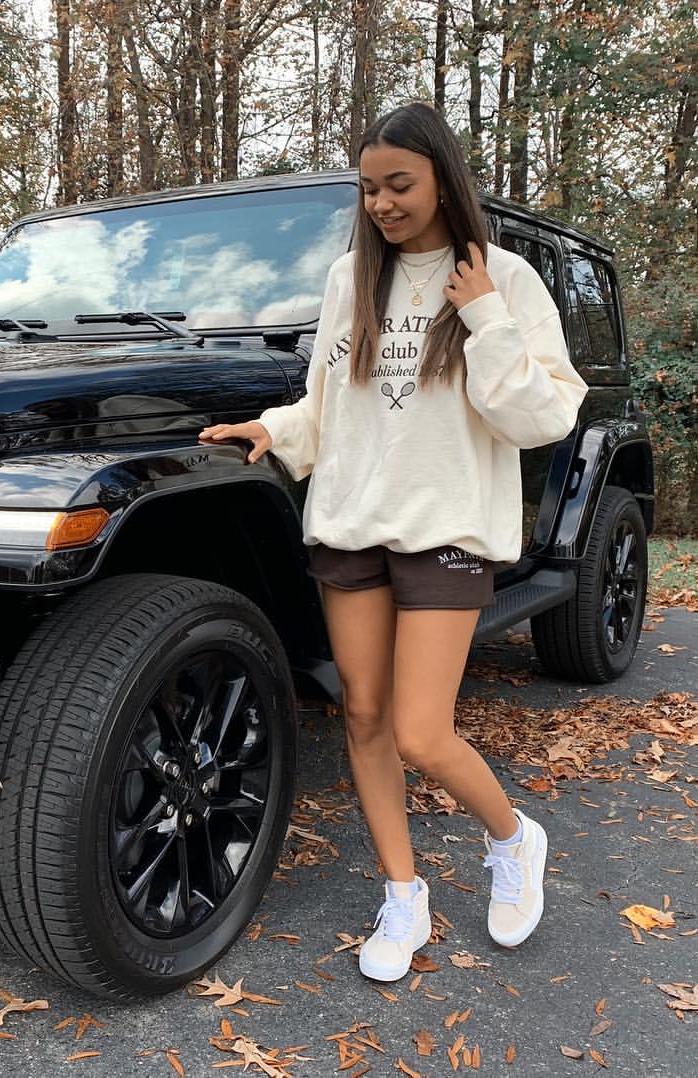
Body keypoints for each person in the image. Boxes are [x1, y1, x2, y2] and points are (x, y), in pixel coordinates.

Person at [199, 101, 587, 982]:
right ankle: (403, 894)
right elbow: (329, 400)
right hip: (350, 519)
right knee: (365, 716)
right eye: (369, 188)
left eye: (399, 184)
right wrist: (273, 429)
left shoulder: (505, 279)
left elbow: (544, 417)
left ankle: (514, 838)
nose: (381, 203)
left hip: (447, 526)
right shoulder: (351, 278)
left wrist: (486, 318)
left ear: (444, 180)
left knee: (420, 731)